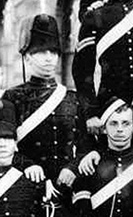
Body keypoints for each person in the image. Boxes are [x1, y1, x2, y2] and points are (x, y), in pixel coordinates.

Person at [2, 14, 86, 184]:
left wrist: (72, 168)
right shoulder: (12, 97)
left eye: (53, 52)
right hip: (26, 183)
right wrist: (27, 165)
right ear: (27, 57)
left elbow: (86, 145)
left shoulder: (72, 98)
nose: (49, 58)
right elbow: (3, 148)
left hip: (66, 185)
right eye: (41, 52)